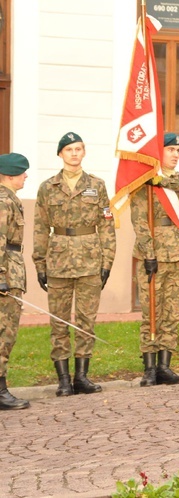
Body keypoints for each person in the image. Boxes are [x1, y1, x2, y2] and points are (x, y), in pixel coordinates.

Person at [33, 133, 116, 397]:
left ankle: (81, 377)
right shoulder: (48, 187)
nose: (74, 153)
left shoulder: (97, 185)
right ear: (60, 154)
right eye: (69, 149)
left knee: (85, 321)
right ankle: (63, 380)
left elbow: (106, 224)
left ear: (84, 152)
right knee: (58, 322)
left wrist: (108, 261)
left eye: (78, 148)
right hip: (58, 259)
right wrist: (39, 263)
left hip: (90, 260)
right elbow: (40, 226)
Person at [131, 133, 179, 387]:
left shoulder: (178, 182)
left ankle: (164, 366)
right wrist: (148, 253)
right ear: (157, 152)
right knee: (152, 313)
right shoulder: (143, 184)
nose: (175, 154)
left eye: (177, 150)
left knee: (173, 313)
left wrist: (163, 181)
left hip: (178, 255)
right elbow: (139, 221)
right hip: (154, 256)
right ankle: (149, 368)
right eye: (170, 149)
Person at [0, 153, 31, 410]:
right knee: (4, 333)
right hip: (6, 273)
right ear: (10, 175)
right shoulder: (3, 200)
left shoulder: (10, 198)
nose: (26, 176)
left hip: (11, 269)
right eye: (22, 172)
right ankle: (0, 392)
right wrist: (1, 277)